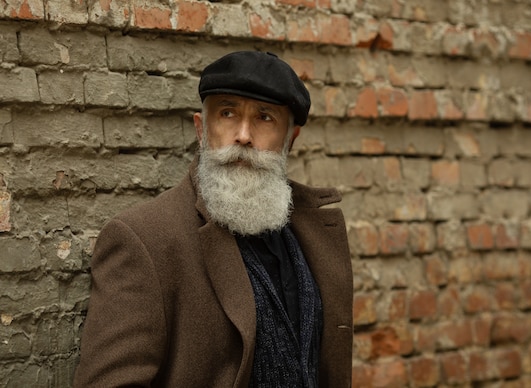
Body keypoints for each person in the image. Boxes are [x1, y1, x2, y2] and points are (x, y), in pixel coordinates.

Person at [73, 51, 353, 387]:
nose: (244, 135)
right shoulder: (143, 239)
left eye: (265, 118)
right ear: (202, 129)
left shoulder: (311, 234)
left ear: (289, 140)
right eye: (228, 113)